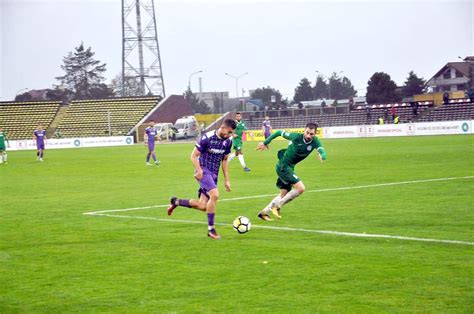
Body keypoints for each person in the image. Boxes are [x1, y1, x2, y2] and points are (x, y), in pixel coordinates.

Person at [166, 119, 237, 239]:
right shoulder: (207, 138)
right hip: (203, 171)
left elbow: (224, 160)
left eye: (231, 133)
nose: (229, 135)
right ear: (222, 128)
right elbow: (193, 155)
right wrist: (199, 170)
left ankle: (176, 202)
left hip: (214, 174)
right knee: (215, 195)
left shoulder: (228, 142)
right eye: (229, 132)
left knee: (203, 206)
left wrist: (227, 180)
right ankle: (211, 230)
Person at [255, 123, 327, 221]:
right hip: (283, 166)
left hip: (289, 167)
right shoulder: (296, 137)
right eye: (307, 133)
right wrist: (265, 142)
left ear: (315, 133)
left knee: (283, 194)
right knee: (300, 188)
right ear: (304, 131)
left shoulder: (315, 141)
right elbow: (279, 132)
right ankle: (277, 206)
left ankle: (263, 213)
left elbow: (322, 150)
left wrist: (322, 156)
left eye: (311, 134)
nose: (309, 136)